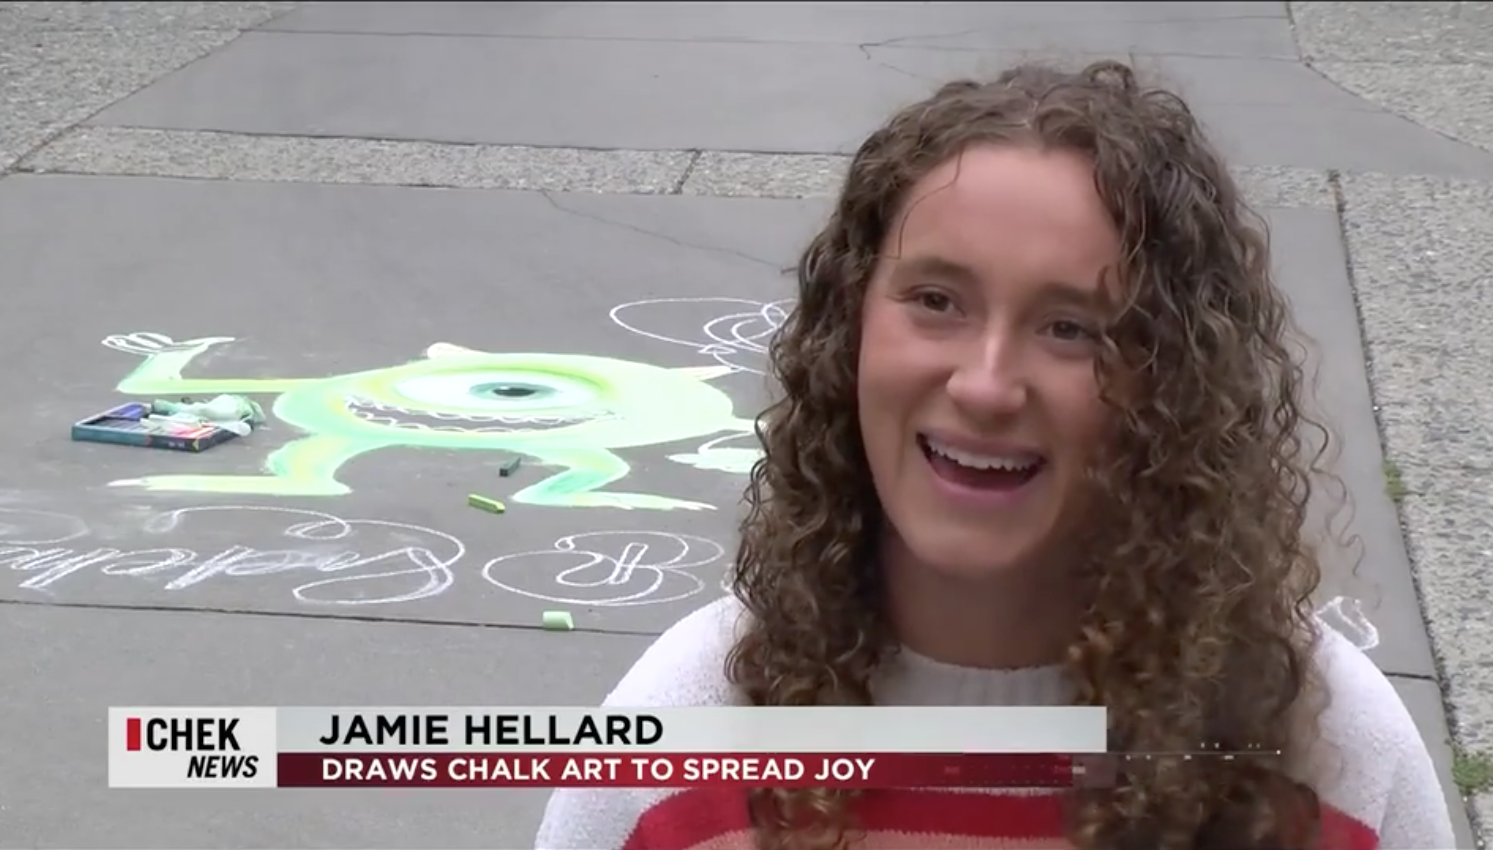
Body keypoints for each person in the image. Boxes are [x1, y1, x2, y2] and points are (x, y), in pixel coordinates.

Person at [534, 59, 1456, 850]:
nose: (985, 385)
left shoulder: (1329, 754)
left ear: (1175, 384)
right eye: (936, 301)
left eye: (1072, 328)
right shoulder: (678, 737)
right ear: (849, 330)